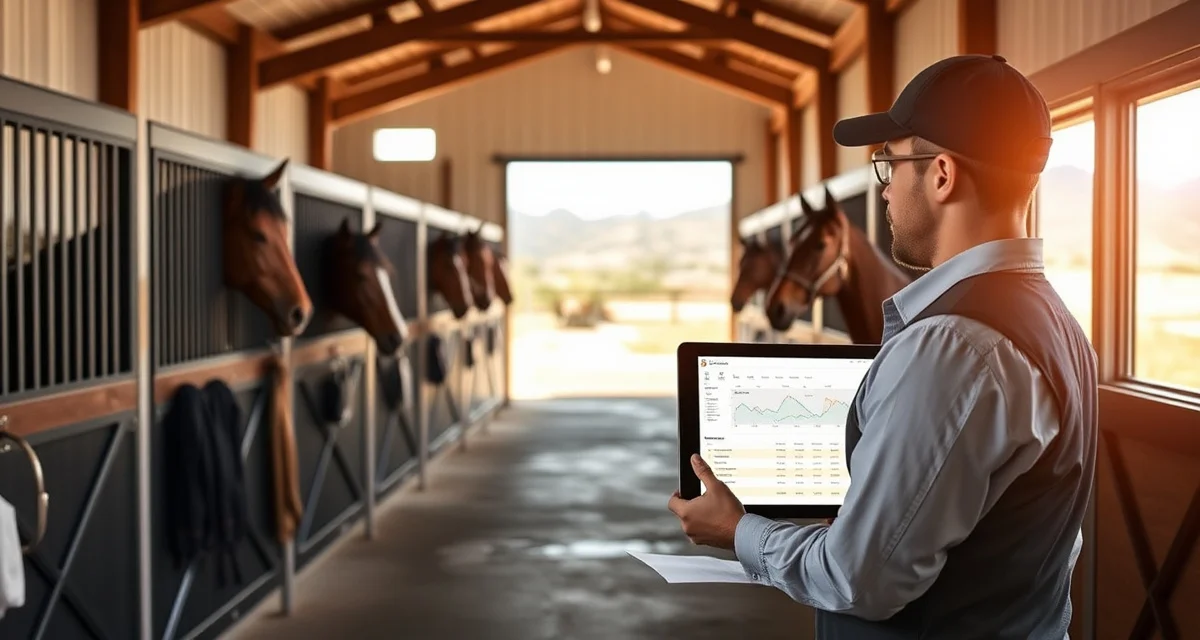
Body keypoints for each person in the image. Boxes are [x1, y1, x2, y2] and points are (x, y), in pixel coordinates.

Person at [667, 54, 1098, 639]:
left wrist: (738, 530)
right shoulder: (1058, 324)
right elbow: (1039, 540)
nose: (887, 192)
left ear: (942, 174)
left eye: (890, 165)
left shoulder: (951, 347)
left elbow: (858, 580)